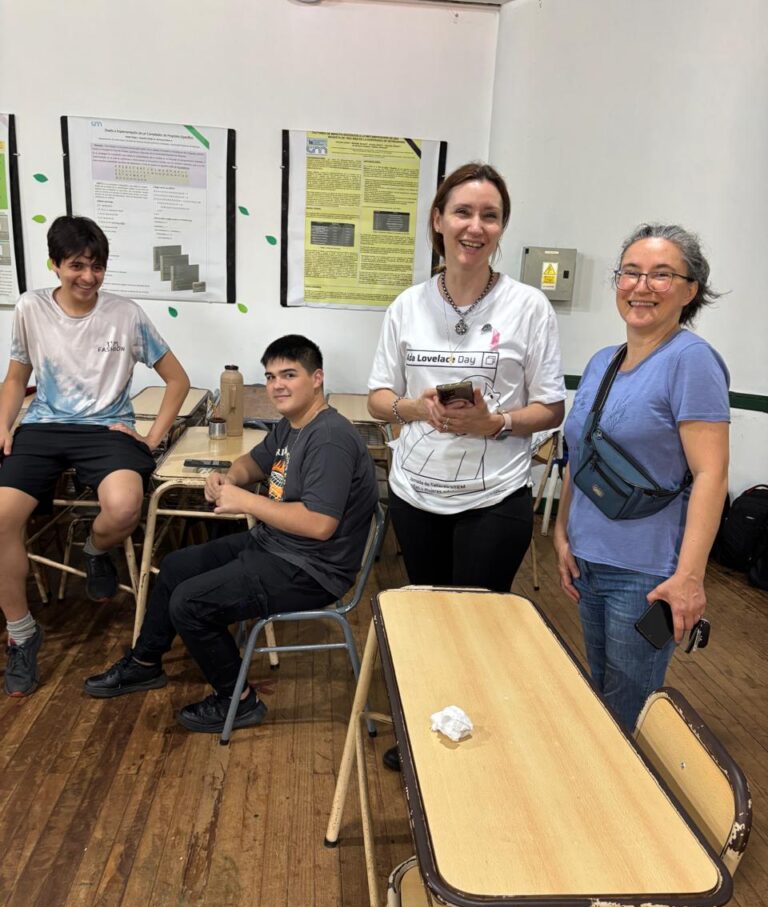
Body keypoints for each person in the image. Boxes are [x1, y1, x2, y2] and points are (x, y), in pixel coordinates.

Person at [368, 162, 566, 769]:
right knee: (427, 620)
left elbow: (552, 406)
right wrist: (415, 408)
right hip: (416, 493)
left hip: (494, 496)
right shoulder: (407, 305)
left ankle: (478, 740)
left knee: (481, 624)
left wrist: (495, 423)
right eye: (462, 212)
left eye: (490, 216)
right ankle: (429, 733)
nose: (475, 226)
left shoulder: (528, 306)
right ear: (438, 220)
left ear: (501, 228)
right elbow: (378, 397)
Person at [84, 335, 379, 734]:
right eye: (271, 376)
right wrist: (228, 478)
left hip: (313, 570)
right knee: (175, 567)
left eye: (289, 375)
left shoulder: (329, 438)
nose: (277, 385)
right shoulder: (293, 426)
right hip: (277, 546)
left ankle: (238, 701)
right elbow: (251, 462)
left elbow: (319, 524)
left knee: (189, 603)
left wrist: (246, 501)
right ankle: (144, 663)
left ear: (317, 378)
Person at [0, 215, 189, 698]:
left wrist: (151, 438)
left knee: (124, 508)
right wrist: (3, 424)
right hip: (44, 427)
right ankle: (22, 634)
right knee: (0, 519)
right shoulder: (31, 307)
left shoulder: (126, 314)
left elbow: (178, 380)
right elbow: (16, 377)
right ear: (55, 265)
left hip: (107, 428)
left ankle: (95, 549)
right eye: (76, 266)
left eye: (97, 266)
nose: (88, 277)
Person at [553, 224, 730, 731]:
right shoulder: (602, 362)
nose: (641, 286)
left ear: (690, 291)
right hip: (588, 562)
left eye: (661, 275)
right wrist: (562, 533)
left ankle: (625, 783)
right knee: (603, 690)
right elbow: (579, 454)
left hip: (647, 574)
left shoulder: (691, 361)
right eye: (630, 272)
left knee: (627, 706)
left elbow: (711, 473)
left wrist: (690, 577)